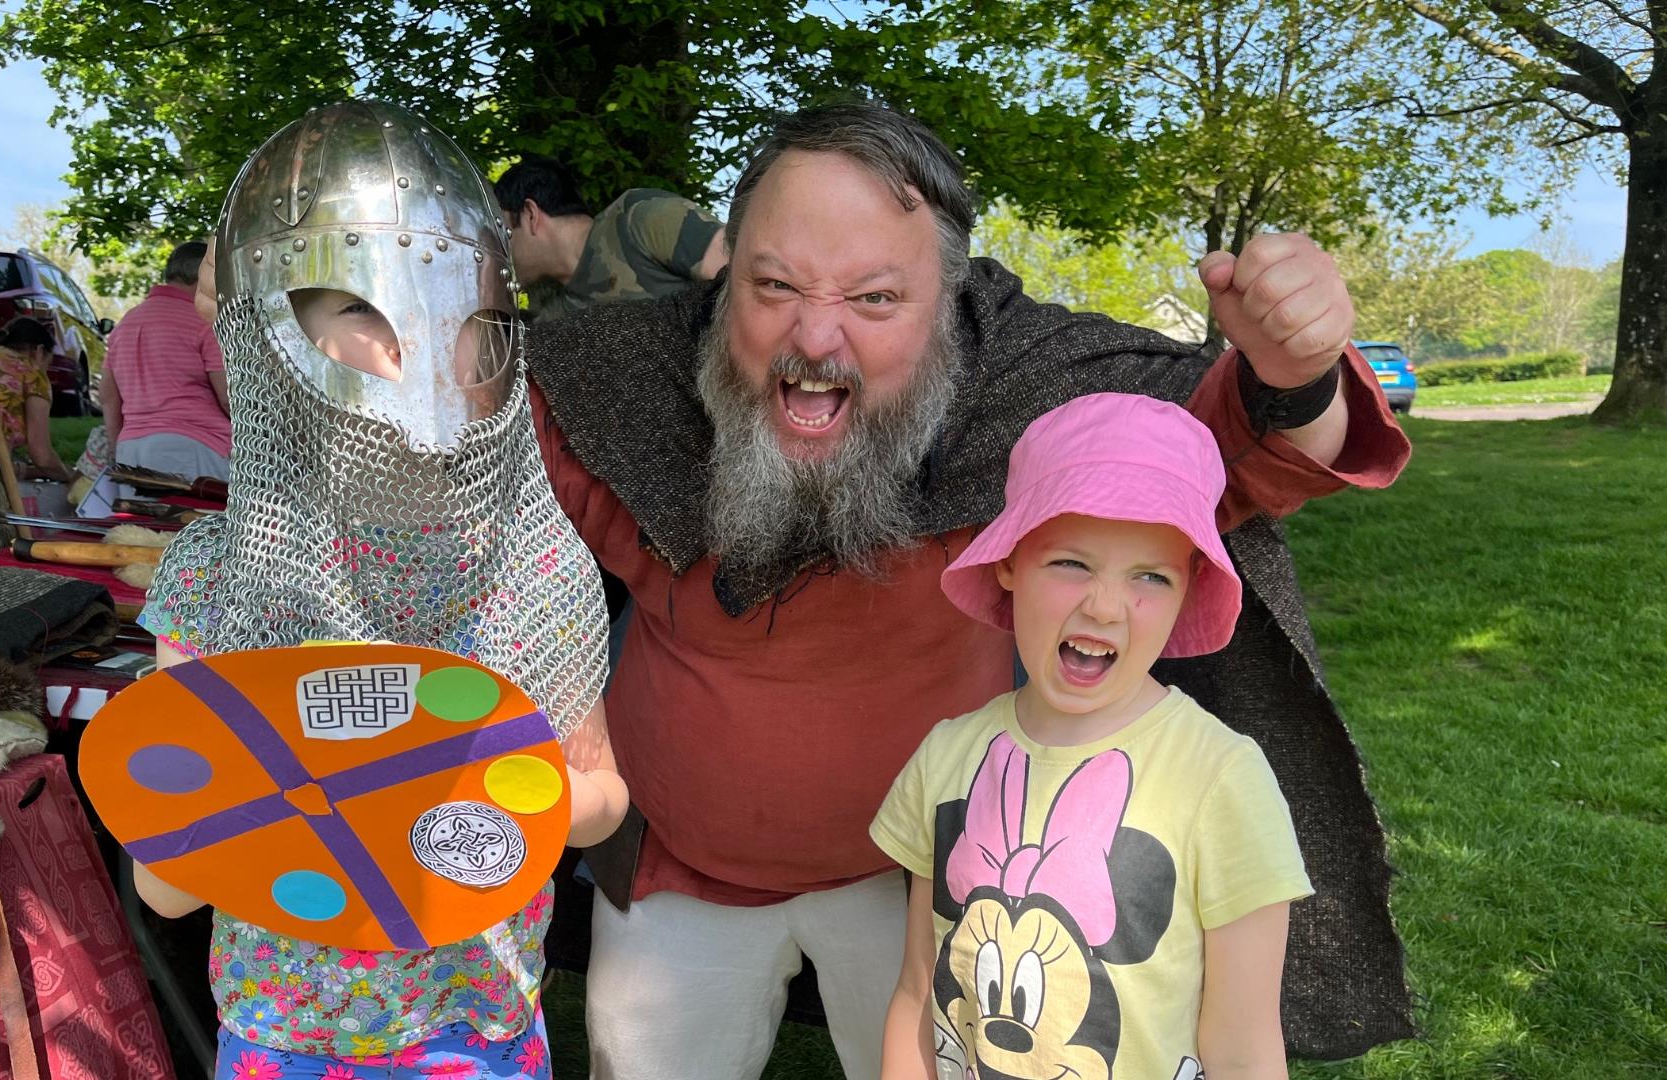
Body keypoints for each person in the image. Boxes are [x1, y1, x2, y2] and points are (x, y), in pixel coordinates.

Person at [201, 103, 1416, 1077]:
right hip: (676, 876)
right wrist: (308, 328)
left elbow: (1215, 460)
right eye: (773, 287)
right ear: (726, 285)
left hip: (921, 883)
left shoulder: (1029, 399)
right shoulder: (621, 383)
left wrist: (1293, 375)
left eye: (875, 300)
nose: (813, 339)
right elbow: (425, 454)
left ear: (953, 305)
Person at [132, 101, 627, 1079]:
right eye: (355, 309)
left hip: (471, 1022)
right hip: (288, 1030)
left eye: (443, 312)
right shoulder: (214, 575)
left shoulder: (532, 560)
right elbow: (166, 887)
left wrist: (476, 793)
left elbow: (602, 795)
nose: (405, 352)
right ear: (267, 336)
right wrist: (236, 813)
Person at [872, 393, 1311, 1080]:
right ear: (1011, 562)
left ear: (1188, 590)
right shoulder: (948, 757)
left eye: (1149, 576)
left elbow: (1245, 1045)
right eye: (1071, 563)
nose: (1104, 606)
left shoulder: (1221, 777)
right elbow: (918, 990)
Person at [492, 154, 728, 321]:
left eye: (503, 232)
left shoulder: (639, 218)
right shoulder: (553, 315)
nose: (498, 248)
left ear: (530, 215)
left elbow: (746, 278)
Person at [101, 240, 232, 482]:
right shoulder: (203, 321)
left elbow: (109, 397)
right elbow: (227, 397)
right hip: (195, 447)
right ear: (205, 276)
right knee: (195, 520)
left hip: (131, 449)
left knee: (138, 521)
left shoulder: (126, 323)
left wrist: (116, 446)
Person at [0, 316, 76, 484]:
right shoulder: (32, 374)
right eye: (48, 364)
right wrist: (68, 477)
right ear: (38, 351)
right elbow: (42, 456)